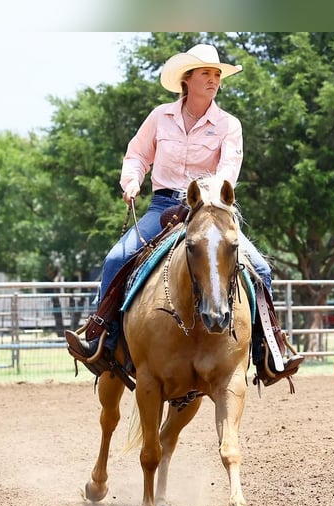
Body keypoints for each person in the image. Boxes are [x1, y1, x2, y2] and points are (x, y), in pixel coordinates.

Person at [65, 43, 303, 383]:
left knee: (261, 268)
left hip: (209, 209)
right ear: (187, 80)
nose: (213, 79)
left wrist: (206, 197)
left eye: (217, 74)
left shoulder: (228, 124)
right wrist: (132, 180)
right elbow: (137, 154)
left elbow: (228, 169)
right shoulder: (159, 117)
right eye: (205, 73)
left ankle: (270, 351)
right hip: (163, 207)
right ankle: (101, 340)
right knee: (116, 258)